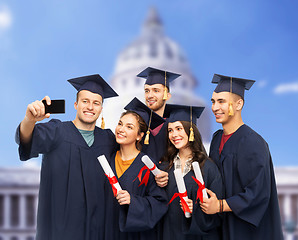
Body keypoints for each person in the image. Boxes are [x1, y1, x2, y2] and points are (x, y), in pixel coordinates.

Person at [15, 74, 118, 240]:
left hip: (98, 229)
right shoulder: (57, 131)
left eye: (96, 103)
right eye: (85, 101)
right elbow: (27, 138)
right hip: (61, 230)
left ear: (101, 108)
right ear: (76, 104)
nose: (90, 107)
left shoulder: (108, 139)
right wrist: (29, 120)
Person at [207, 74, 284, 240]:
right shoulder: (216, 139)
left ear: (239, 104)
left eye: (221, 101)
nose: (214, 107)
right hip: (221, 226)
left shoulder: (253, 142)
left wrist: (220, 205)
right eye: (213, 101)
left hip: (246, 230)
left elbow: (258, 193)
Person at [103, 97, 168, 240]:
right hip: (106, 231)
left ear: (140, 136)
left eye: (129, 127)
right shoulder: (108, 159)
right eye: (120, 124)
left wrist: (133, 201)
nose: (121, 129)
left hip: (134, 235)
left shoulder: (148, 165)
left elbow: (159, 203)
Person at [158, 104, 223, 240]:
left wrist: (196, 210)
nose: (174, 134)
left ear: (191, 131)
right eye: (170, 130)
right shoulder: (165, 166)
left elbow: (217, 213)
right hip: (168, 234)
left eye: (179, 129)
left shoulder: (208, 167)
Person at [137, 67, 180, 162]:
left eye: (156, 90)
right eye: (147, 91)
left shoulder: (175, 125)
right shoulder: (138, 122)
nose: (150, 95)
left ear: (167, 96)